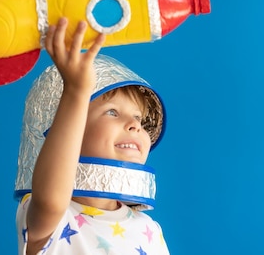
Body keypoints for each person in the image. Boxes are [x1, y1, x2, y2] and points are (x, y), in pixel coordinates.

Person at [15, 17, 171, 254]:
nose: (134, 125)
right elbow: (52, 199)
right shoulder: (54, 217)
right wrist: (76, 91)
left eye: (139, 118)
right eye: (112, 112)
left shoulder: (148, 228)